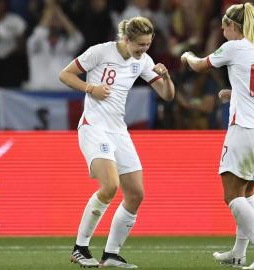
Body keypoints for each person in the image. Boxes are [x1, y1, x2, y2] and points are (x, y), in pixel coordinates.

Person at [59, 16, 175, 268]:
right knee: (110, 185)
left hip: (118, 131)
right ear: (126, 39)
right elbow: (65, 75)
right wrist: (91, 89)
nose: (144, 50)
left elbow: (167, 95)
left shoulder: (143, 61)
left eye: (148, 44)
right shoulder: (100, 52)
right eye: (140, 45)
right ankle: (80, 248)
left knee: (135, 194)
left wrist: (166, 77)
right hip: (94, 127)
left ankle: (111, 254)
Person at [181, 2, 254, 269]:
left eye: (224, 25)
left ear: (233, 26)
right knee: (246, 192)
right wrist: (236, 93)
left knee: (232, 195)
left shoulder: (234, 47)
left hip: (245, 129)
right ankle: (239, 253)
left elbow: (200, 66)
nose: (222, 29)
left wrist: (187, 55)